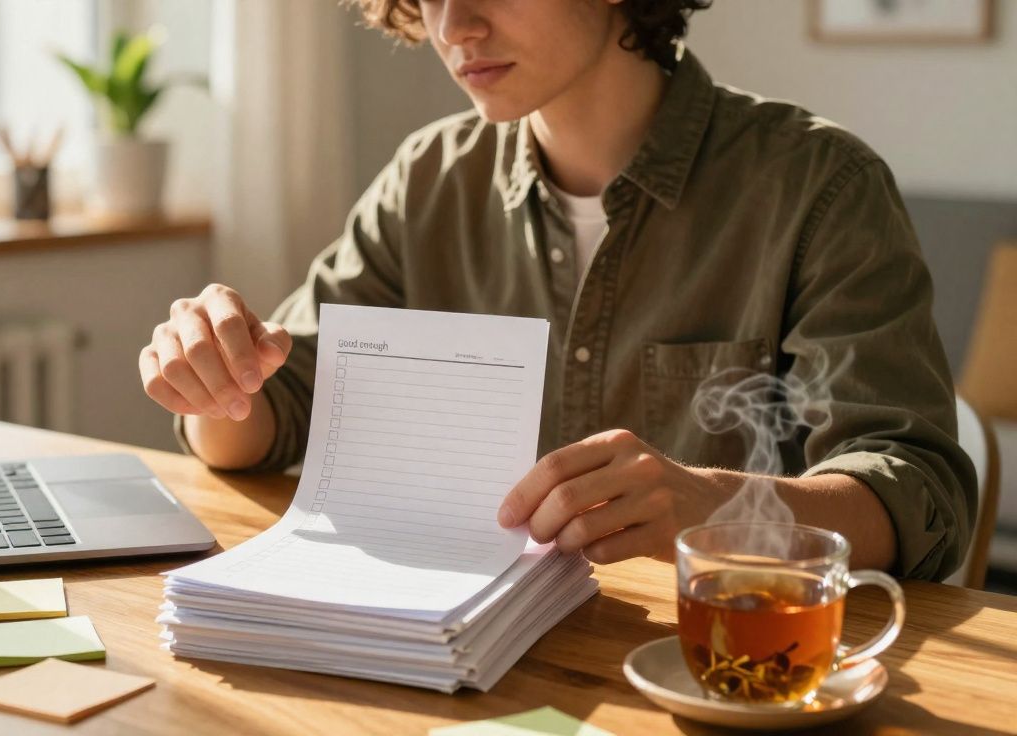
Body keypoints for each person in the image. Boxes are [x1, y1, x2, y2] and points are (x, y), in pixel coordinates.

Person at [138, 0, 975, 580]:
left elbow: (919, 493)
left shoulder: (818, 186)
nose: (455, 26)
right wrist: (217, 379)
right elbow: (277, 408)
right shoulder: (427, 181)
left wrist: (712, 502)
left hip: (722, 667)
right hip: (476, 659)